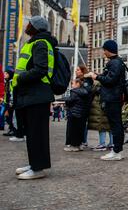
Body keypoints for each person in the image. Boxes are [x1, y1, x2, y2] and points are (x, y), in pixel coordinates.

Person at [12, 16, 56, 180]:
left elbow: (40, 69)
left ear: (35, 27)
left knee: (37, 133)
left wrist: (21, 78)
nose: (26, 25)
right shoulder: (37, 42)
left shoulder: (40, 43)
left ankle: (38, 168)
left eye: (29, 23)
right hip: (33, 94)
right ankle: (34, 164)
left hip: (37, 93)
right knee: (32, 133)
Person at [86, 40, 126, 161]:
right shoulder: (116, 62)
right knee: (115, 124)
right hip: (113, 97)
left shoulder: (115, 63)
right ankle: (117, 150)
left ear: (108, 50)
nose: (103, 52)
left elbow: (110, 80)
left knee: (115, 125)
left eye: (104, 50)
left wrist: (96, 76)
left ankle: (117, 151)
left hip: (112, 98)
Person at [64, 78, 90, 152]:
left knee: (73, 130)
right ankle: (79, 145)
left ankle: (74, 146)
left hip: (74, 112)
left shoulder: (74, 91)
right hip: (81, 113)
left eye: (73, 83)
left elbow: (70, 100)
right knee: (79, 130)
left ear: (78, 84)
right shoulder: (85, 91)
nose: (72, 85)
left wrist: (66, 100)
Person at [88, 80, 113, 151]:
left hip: (101, 111)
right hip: (108, 109)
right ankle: (112, 143)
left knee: (102, 127)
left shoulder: (98, 87)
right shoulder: (108, 87)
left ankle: (102, 144)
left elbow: (92, 90)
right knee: (110, 127)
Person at [2, 69, 16, 136]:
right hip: (6, 103)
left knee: (10, 117)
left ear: (10, 74)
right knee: (7, 117)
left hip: (10, 104)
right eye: (4, 73)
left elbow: (11, 93)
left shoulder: (11, 82)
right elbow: (6, 93)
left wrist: (11, 103)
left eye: (6, 73)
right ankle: (11, 129)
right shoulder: (7, 82)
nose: (4, 75)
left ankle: (13, 130)